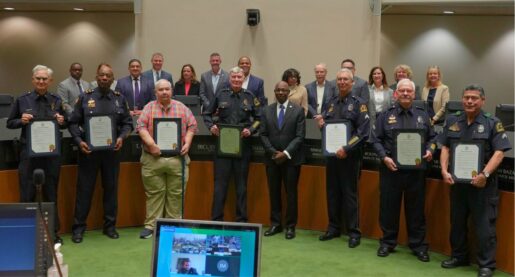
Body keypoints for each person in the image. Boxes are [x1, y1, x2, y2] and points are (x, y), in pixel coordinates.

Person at [439, 84, 511, 277]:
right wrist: (444, 170)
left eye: (474, 98)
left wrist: (484, 175)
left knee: (484, 225)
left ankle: (486, 264)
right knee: (457, 222)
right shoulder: (453, 120)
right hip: (458, 184)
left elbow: (499, 152)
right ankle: (459, 256)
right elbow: (445, 147)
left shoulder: (492, 122)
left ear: (482, 101)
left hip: (483, 186)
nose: (469, 101)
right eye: (466, 97)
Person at [370, 78, 436, 262]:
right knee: (388, 208)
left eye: (409, 91)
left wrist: (430, 150)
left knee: (416, 210)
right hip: (391, 170)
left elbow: (433, 138)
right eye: (402, 91)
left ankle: (418, 245)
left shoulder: (423, 115)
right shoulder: (385, 115)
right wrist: (384, 157)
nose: (406, 93)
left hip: (416, 172)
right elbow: (375, 139)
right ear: (396, 94)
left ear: (414, 94)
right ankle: (387, 242)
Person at [68, 63, 133, 243]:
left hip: (111, 153)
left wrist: (121, 137)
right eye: (102, 75)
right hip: (89, 152)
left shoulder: (119, 99)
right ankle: (79, 228)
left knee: (111, 190)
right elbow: (72, 123)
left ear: (113, 79)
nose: (105, 78)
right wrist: (79, 141)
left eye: (108, 76)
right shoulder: (85, 97)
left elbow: (128, 123)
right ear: (96, 77)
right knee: (84, 190)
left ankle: (110, 226)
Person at [6, 64, 66, 244]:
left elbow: (66, 122)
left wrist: (62, 120)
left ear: (50, 81)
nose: (41, 81)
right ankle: (25, 233)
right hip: (29, 156)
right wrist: (21, 120)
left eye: (44, 79)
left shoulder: (56, 100)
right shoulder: (22, 100)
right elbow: (10, 123)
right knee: (27, 194)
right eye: (38, 78)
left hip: (51, 156)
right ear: (33, 80)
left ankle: (54, 234)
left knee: (51, 194)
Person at [137, 79, 197, 239]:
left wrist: (188, 142)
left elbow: (192, 125)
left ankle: (173, 225)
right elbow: (140, 127)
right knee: (154, 193)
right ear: (156, 93)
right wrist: (151, 144)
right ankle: (151, 226)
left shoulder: (182, 108)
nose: (164, 92)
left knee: (176, 194)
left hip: (177, 159)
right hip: (152, 159)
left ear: (171, 91)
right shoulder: (148, 108)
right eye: (161, 90)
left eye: (167, 89)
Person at [316, 68, 369, 248]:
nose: (342, 82)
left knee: (350, 194)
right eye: (339, 79)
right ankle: (333, 228)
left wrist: (346, 148)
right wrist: (321, 125)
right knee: (332, 193)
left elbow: (363, 132)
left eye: (346, 79)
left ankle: (354, 232)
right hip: (332, 157)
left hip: (350, 158)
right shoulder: (330, 103)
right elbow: (328, 130)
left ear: (352, 82)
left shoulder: (359, 104)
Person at [202, 66, 261, 222]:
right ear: (230, 79)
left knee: (241, 187)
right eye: (233, 77)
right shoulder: (221, 95)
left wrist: (251, 130)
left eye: (239, 78)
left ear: (243, 79)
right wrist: (211, 126)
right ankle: (216, 219)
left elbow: (259, 119)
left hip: (243, 146)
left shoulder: (249, 96)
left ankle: (241, 220)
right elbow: (207, 114)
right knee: (220, 186)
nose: (236, 80)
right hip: (223, 147)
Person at [260, 81, 305, 240]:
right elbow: (263, 134)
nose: (280, 92)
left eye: (283, 90)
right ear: (274, 91)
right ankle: (275, 224)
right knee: (274, 192)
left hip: (291, 160)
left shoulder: (298, 110)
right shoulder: (266, 110)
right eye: (278, 90)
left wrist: (285, 153)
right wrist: (273, 152)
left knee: (291, 193)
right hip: (272, 159)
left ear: (288, 92)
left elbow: (300, 136)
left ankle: (290, 226)